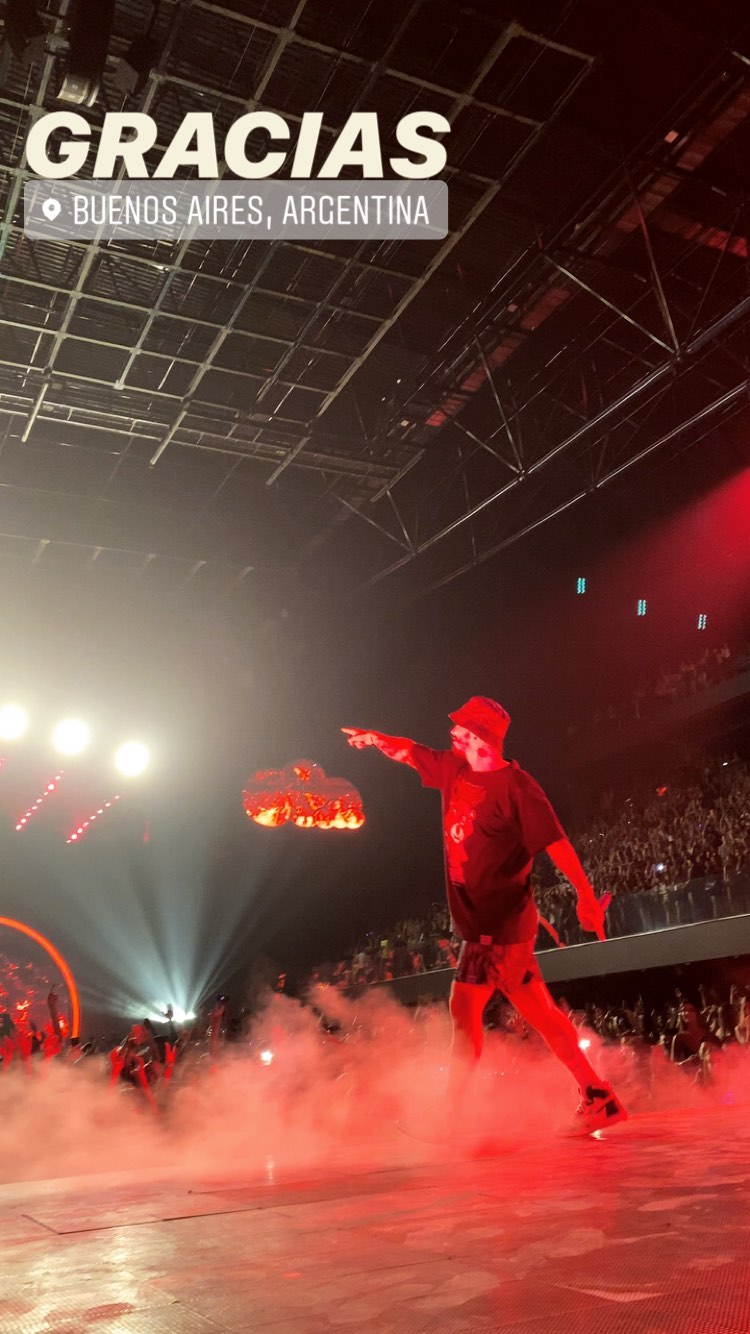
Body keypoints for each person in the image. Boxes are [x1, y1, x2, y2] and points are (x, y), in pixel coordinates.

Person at [343, 696, 627, 1133]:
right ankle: (598, 1096)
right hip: (498, 929)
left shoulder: (519, 789)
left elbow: (556, 843)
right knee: (542, 1015)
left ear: (480, 739)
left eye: (460, 730)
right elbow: (410, 750)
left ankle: (450, 1116)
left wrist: (585, 897)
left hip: (496, 927)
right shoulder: (455, 768)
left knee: (464, 1009)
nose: (452, 734)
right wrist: (377, 738)